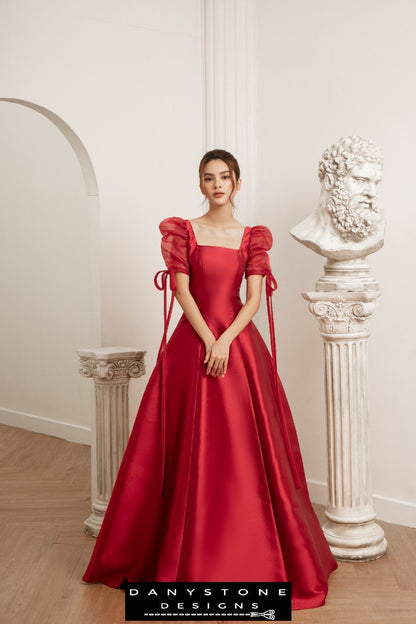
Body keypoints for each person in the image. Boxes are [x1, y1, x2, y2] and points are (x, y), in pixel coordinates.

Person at [82, 149, 338, 610]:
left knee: (243, 450)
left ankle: (246, 552)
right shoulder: (185, 230)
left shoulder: (252, 237)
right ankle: (179, 553)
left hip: (238, 347)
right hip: (192, 345)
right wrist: (209, 340)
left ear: (237, 183)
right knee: (182, 445)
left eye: (225, 177)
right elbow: (181, 291)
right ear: (200, 185)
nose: (217, 184)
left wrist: (226, 342)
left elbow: (253, 300)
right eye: (208, 177)